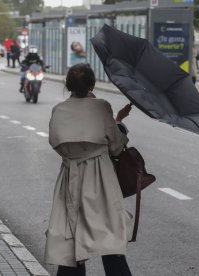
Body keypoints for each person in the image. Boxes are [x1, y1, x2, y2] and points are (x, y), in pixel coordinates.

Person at [45, 63, 134, 276]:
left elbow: (56, 142)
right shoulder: (102, 107)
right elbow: (115, 145)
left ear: (68, 85)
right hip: (100, 180)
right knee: (109, 237)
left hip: (71, 178)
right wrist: (119, 122)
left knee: (71, 239)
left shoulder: (59, 110)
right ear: (92, 85)